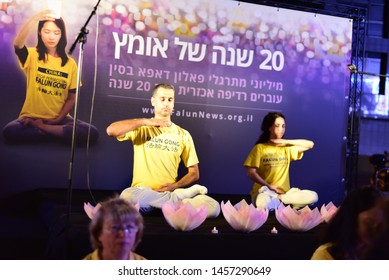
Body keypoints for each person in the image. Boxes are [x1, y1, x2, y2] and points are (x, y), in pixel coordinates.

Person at [102, 83, 220, 218]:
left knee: (214, 208)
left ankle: (172, 200)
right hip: (142, 193)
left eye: (170, 100)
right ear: (153, 101)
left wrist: (175, 186)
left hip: (170, 191)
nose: (166, 104)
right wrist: (145, 122)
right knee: (127, 196)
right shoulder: (142, 127)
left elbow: (194, 173)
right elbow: (111, 130)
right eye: (162, 99)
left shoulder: (183, 134)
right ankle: (178, 202)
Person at [2, 10, 99, 144]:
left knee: (91, 133)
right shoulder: (32, 56)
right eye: (47, 32)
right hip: (31, 117)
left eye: (56, 33)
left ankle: (42, 130)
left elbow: (71, 98)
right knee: (10, 131)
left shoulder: (70, 64)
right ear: (39, 32)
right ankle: (57, 133)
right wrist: (35, 18)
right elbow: (18, 44)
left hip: (59, 120)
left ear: (62, 35)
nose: (51, 37)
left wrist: (57, 120)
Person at [244, 112, 318, 210]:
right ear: (269, 128)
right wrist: (269, 186)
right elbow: (250, 173)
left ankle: (280, 200)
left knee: (313, 196)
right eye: (277, 126)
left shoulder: (286, 148)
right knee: (262, 203)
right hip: (264, 192)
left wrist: (286, 141)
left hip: (284, 194)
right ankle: (281, 203)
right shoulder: (260, 148)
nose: (281, 129)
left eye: (283, 126)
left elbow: (310, 144)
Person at [310, 185, 383, 260]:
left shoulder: (380, 252)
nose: (375, 229)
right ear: (352, 219)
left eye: (380, 225)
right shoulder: (327, 254)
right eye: (369, 222)